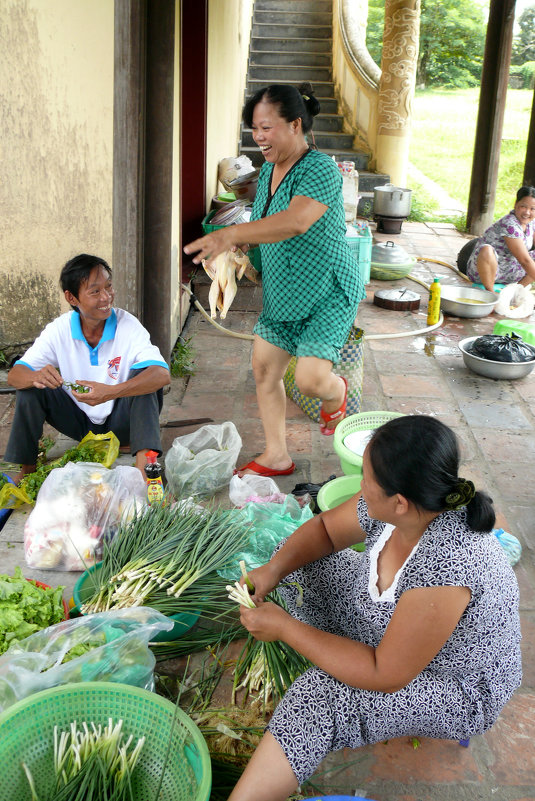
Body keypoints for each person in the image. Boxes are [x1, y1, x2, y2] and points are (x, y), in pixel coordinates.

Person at [229, 415, 522, 801]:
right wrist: (273, 570)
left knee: (319, 697)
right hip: (397, 629)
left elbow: (385, 672)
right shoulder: (412, 502)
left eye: (366, 478)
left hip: (455, 684)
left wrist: (286, 629)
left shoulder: (446, 567)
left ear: (399, 502)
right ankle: (329, 641)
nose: (359, 484)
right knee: (296, 564)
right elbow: (326, 530)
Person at [184, 83, 365, 477]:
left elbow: (297, 221)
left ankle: (336, 392)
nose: (259, 137)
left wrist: (230, 235)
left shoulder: (319, 168)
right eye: (254, 128)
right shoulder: (267, 170)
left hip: (326, 290)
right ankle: (277, 454)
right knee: (265, 370)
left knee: (311, 379)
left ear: (295, 125)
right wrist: (241, 255)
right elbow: (265, 224)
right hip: (285, 292)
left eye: (267, 127)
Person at [5, 253, 170, 481]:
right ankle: (26, 472)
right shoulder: (59, 330)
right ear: (72, 298)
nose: (106, 297)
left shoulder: (128, 325)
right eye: (95, 291)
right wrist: (36, 375)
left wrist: (109, 392)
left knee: (145, 378)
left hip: (121, 424)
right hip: (79, 424)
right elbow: (14, 376)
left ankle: (147, 473)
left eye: (109, 287)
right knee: (31, 386)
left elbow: (162, 375)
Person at [464, 185, 535, 290]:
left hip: (509, 271)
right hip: (486, 271)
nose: (527, 212)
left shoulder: (531, 222)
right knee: (486, 250)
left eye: (532, 208)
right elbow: (524, 260)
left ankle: (515, 291)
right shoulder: (509, 224)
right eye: (523, 206)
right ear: (516, 204)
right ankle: (490, 292)